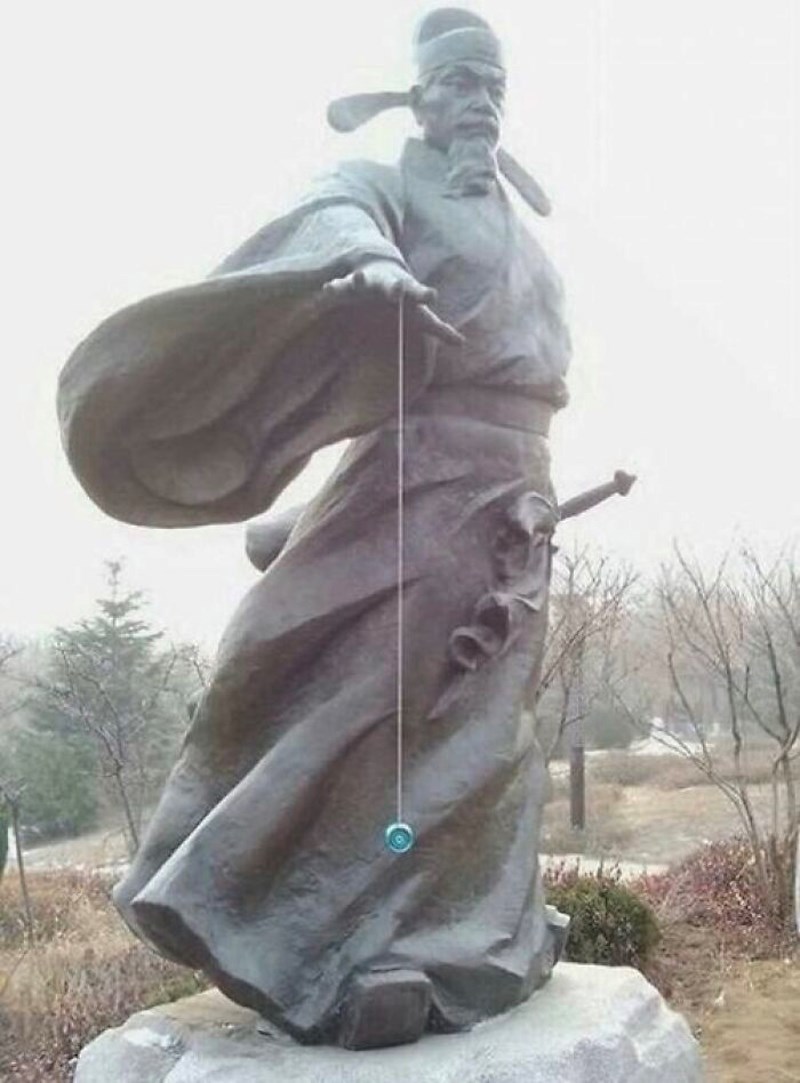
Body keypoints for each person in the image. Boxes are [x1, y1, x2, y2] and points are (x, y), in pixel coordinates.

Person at [58, 8, 572, 1050]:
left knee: (481, 723)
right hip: (415, 475)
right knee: (315, 671)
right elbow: (329, 208)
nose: (480, 100)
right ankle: (263, 914)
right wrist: (366, 261)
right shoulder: (384, 183)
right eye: (460, 82)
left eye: (493, 85)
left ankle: (474, 933)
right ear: (418, 97)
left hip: (518, 498)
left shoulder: (527, 239)